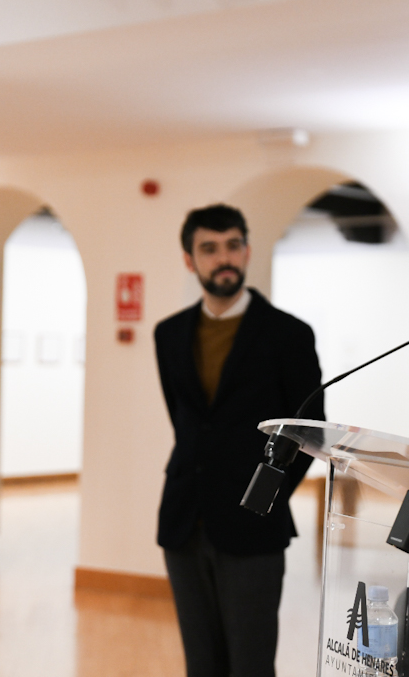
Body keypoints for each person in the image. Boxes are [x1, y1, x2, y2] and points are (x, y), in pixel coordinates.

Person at [154, 204, 323, 677]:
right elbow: (186, 423)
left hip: (254, 527)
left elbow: (309, 430)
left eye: (232, 246)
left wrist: (267, 496)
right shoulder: (168, 334)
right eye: (209, 249)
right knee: (201, 664)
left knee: (251, 664)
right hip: (184, 520)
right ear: (189, 259)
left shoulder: (289, 334)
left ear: (247, 252)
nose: (223, 258)